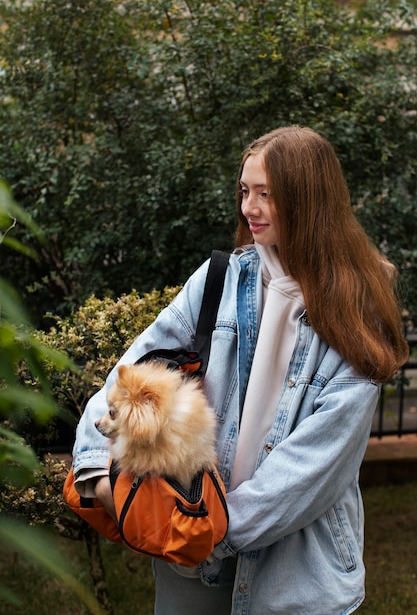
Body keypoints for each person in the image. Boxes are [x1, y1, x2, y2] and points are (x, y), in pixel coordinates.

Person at [72, 125, 408, 614]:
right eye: (244, 191)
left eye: (266, 195)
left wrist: (202, 531)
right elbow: (130, 373)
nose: (248, 208)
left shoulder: (358, 311)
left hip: (294, 576)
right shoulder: (222, 277)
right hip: (188, 561)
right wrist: (95, 468)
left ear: (309, 201)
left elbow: (313, 470)